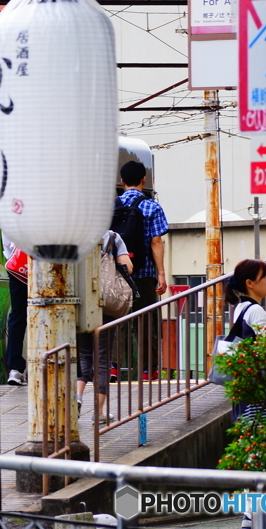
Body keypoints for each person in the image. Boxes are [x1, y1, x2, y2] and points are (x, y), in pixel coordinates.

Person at [116, 160, 169, 379]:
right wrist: (161, 274)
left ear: (121, 182)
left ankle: (113, 366)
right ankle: (148, 370)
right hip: (144, 274)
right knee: (146, 323)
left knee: (117, 320)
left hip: (118, 275)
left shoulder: (113, 205)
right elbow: (156, 242)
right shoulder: (152, 207)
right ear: (143, 180)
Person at [76, 231, 134, 424]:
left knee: (84, 354)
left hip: (81, 304)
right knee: (102, 358)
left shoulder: (71, 233)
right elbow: (128, 267)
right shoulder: (111, 237)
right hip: (105, 303)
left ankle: (77, 397)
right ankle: (98, 412)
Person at [223, 259, 266, 423]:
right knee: (261, 429)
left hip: (243, 379)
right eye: (264, 277)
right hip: (257, 382)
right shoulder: (256, 310)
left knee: (246, 428)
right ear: (250, 283)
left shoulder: (241, 307)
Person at [3, 241, 28, 386]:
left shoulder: (13, 216)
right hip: (51, 263)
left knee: (18, 314)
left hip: (19, 265)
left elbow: (7, 241)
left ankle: (15, 368)